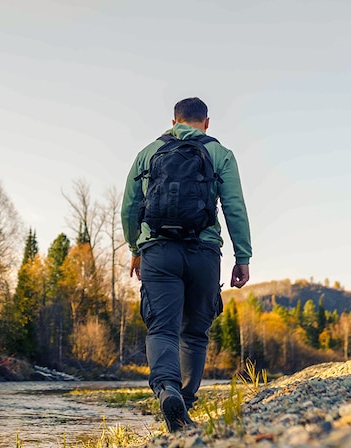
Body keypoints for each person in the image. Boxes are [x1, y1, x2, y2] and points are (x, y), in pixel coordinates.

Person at [120, 97, 252, 432]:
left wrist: (136, 247)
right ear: (206, 123)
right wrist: (243, 257)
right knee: (194, 332)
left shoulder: (149, 153)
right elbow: (234, 206)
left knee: (162, 328)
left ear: (173, 120)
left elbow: (129, 207)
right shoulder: (219, 153)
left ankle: (166, 389)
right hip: (204, 252)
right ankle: (185, 403)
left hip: (158, 252)